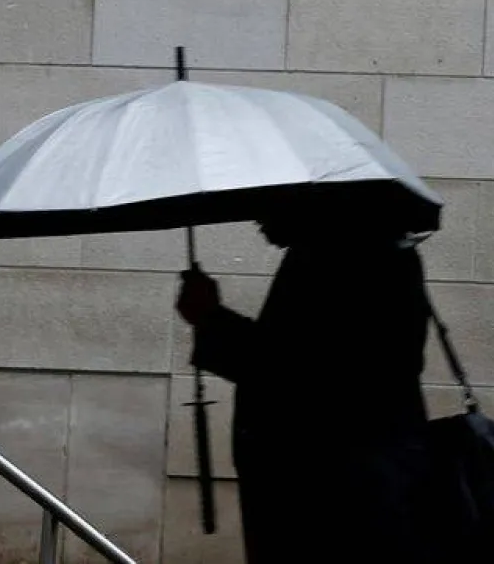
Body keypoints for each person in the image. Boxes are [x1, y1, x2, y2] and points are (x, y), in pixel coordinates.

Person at [175, 215, 440, 564]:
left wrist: (210, 318)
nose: (258, 218)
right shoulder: (354, 250)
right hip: (346, 493)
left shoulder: (347, 257)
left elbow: (301, 377)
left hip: (331, 499)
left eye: (267, 202)